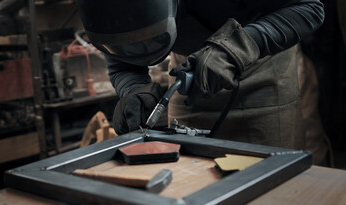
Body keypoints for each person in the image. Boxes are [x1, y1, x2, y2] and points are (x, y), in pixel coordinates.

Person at [76, 0, 325, 149]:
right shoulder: (105, 13)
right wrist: (132, 88)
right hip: (189, 79)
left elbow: (309, 7)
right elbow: (121, 58)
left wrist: (234, 49)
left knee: (266, 197)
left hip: (261, 74)